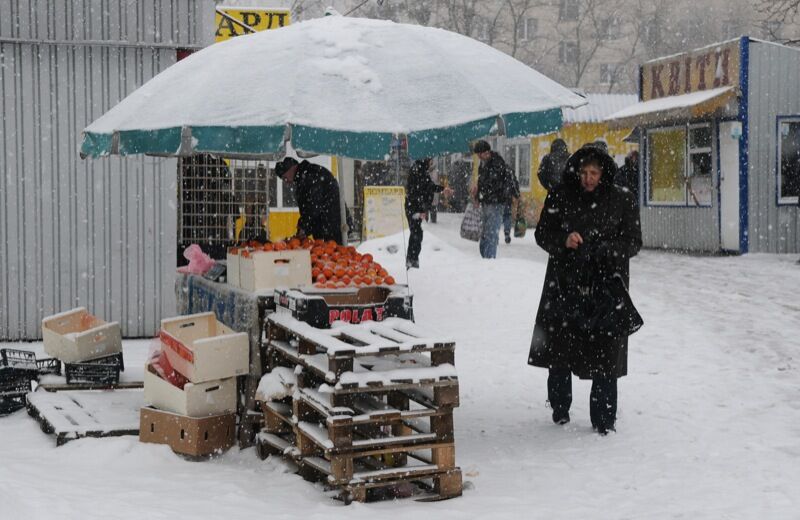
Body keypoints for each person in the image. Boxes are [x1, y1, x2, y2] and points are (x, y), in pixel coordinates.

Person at [527, 145, 642, 435]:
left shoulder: (622, 200)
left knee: (606, 352)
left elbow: (633, 241)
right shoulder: (561, 195)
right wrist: (564, 240)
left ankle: (604, 418)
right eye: (584, 172)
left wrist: (606, 249)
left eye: (594, 173)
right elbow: (543, 234)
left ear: (603, 173)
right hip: (565, 284)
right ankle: (560, 406)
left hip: (605, 288)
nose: (588, 178)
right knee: (561, 348)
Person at [274, 157, 343, 244]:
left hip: (333, 226)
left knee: (334, 253)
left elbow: (313, 206)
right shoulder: (306, 175)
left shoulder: (310, 175)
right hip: (329, 225)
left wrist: (303, 227)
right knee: (326, 253)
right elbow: (311, 208)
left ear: (292, 168)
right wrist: (304, 228)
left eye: (285, 177)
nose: (286, 182)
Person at [405, 158, 453, 269]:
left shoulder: (420, 170)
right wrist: (419, 210)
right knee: (416, 234)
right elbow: (424, 188)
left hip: (414, 206)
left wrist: (442, 189)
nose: (431, 162)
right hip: (414, 207)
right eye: (430, 160)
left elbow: (426, 187)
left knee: (416, 233)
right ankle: (412, 260)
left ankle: (412, 260)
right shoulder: (419, 170)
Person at [473, 140, 515, 259]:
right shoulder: (483, 164)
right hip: (486, 202)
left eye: (479, 154)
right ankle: (485, 258)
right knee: (485, 234)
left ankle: (490, 260)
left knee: (491, 234)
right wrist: (477, 195)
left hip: (496, 203)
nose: (478, 157)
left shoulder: (497, 163)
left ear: (486, 152)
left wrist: (482, 190)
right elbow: (481, 182)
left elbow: (493, 184)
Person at [503, 170, 520, 244]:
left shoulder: (497, 170)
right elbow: (514, 186)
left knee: (496, 217)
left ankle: (494, 235)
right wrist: (517, 195)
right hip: (507, 199)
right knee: (507, 216)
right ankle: (507, 233)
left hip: (498, 199)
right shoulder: (510, 173)